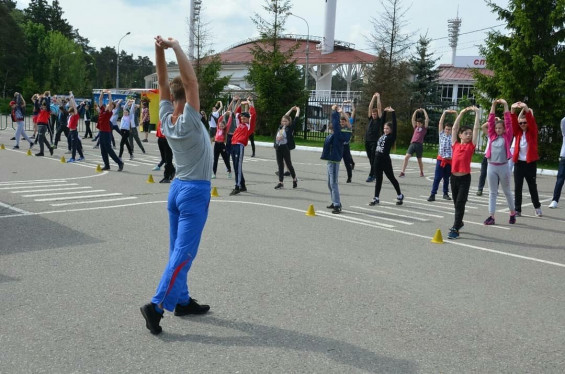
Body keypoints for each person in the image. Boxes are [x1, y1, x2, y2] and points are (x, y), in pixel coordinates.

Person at [140, 35, 213, 335]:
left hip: (178, 190)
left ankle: (181, 300)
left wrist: (159, 50)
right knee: (183, 253)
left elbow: (162, 80)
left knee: (177, 252)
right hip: (194, 192)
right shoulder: (191, 122)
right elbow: (190, 82)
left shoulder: (168, 119)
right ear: (191, 100)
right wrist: (176, 47)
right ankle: (156, 305)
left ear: (173, 99)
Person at [447, 106, 480, 240]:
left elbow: (476, 128)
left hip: (465, 178)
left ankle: (455, 228)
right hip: (453, 178)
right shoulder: (455, 144)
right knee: (456, 203)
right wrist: (460, 113)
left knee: (460, 203)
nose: (469, 135)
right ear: (460, 135)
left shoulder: (471, 146)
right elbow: (454, 128)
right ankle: (459, 222)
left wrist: (477, 113)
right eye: (466, 133)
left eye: (470, 133)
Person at [483, 99, 516, 225]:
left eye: (500, 128)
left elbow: (508, 122)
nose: (498, 129)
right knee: (492, 192)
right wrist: (493, 105)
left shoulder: (507, 137)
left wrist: (506, 105)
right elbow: (490, 121)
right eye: (496, 128)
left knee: (507, 191)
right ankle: (491, 216)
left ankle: (512, 213)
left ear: (504, 129)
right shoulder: (492, 136)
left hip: (503, 167)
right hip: (491, 166)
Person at [369, 106, 404, 206]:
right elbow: (382, 123)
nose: (385, 130)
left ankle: (400, 195)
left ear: (391, 130)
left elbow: (395, 126)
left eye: (387, 128)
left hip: (385, 160)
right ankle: (376, 198)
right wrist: (384, 112)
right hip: (377, 159)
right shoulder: (382, 134)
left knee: (391, 178)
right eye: (384, 128)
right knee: (378, 179)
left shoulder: (391, 137)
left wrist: (393, 113)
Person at [511, 102, 542, 217]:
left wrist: (525, 107)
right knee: (518, 187)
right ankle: (517, 209)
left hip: (530, 163)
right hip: (519, 163)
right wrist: (512, 109)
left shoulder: (532, 132)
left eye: (525, 123)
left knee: (532, 186)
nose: (523, 124)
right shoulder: (518, 132)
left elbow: (531, 120)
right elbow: (513, 122)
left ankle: (537, 207)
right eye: (521, 123)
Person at [322, 105, 352, 214]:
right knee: (329, 183)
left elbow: (348, 124)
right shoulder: (336, 133)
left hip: (335, 160)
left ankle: (337, 205)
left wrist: (337, 111)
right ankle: (334, 201)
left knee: (333, 183)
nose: (341, 123)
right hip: (330, 160)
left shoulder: (344, 133)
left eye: (343, 122)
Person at [229, 96, 256, 195]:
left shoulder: (249, 126)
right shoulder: (239, 124)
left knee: (238, 167)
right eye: (242, 117)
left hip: (239, 146)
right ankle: (243, 186)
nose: (243, 118)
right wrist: (240, 103)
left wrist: (249, 103)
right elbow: (236, 113)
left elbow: (253, 114)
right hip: (233, 145)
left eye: (245, 117)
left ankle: (237, 186)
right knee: (236, 167)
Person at [428, 110, 455, 201]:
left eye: (449, 129)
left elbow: (457, 126)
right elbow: (440, 123)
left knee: (446, 178)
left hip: (449, 160)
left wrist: (456, 114)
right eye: (446, 129)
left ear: (452, 130)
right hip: (441, 159)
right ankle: (433, 194)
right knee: (437, 177)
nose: (448, 130)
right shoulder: (442, 134)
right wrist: (445, 113)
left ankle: (445, 193)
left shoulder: (453, 137)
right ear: (444, 129)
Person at [96, 90, 124, 171]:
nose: (108, 105)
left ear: (111, 107)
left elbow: (111, 102)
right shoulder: (102, 109)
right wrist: (102, 92)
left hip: (106, 132)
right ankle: (107, 165)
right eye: (108, 104)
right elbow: (100, 100)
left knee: (108, 149)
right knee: (103, 149)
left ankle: (119, 163)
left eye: (110, 105)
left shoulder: (109, 112)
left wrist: (109, 94)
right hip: (101, 131)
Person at [273, 106, 299, 189]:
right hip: (278, 148)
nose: (284, 122)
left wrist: (298, 110)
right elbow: (285, 115)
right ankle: (281, 182)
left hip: (285, 148)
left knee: (289, 165)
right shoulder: (280, 127)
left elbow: (296, 119)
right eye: (283, 121)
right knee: (280, 165)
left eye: (286, 121)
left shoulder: (290, 128)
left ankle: (294, 179)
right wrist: (291, 109)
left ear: (289, 122)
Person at [399, 108, 429, 177]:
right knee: (406, 157)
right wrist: (416, 111)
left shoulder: (424, 128)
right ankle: (402, 172)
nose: (417, 124)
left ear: (422, 124)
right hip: (412, 144)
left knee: (419, 160)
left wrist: (424, 111)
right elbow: (412, 119)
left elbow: (427, 119)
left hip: (419, 145)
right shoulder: (415, 127)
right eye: (417, 123)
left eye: (419, 123)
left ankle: (421, 172)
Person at [365, 92, 382, 182]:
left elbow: (379, 107)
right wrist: (373, 97)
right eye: (373, 114)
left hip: (374, 141)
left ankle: (372, 175)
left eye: (375, 114)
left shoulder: (379, 119)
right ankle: (376, 172)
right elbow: (370, 107)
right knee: (370, 158)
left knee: (373, 158)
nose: (373, 115)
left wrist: (378, 97)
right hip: (367, 140)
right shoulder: (370, 118)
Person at [548, 116, 565, 208]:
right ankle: (555, 200)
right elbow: (563, 121)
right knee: (560, 179)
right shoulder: (564, 132)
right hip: (564, 157)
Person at [212, 111, 232, 179]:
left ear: (224, 126)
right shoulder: (218, 128)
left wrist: (230, 116)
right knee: (215, 160)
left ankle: (229, 171)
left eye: (222, 126)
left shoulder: (225, 130)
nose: (221, 126)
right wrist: (224, 114)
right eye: (220, 125)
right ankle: (214, 173)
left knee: (225, 159)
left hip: (222, 146)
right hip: (216, 145)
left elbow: (229, 123)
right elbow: (219, 120)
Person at [65, 92, 85, 163]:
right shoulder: (71, 115)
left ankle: (73, 158)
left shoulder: (76, 115)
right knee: (76, 145)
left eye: (71, 112)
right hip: (71, 131)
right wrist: (70, 97)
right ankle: (82, 156)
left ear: (74, 112)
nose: (70, 113)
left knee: (74, 146)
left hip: (74, 131)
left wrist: (72, 98)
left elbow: (74, 106)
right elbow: (71, 105)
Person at [34, 91, 54, 157]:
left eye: (44, 106)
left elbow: (48, 105)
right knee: (43, 139)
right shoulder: (40, 110)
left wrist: (45, 98)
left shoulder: (47, 111)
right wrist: (37, 99)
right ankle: (50, 148)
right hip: (39, 125)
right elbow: (36, 105)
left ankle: (41, 152)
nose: (43, 107)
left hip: (43, 126)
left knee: (40, 139)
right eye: (42, 106)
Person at [342, 101, 355, 183]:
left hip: (346, 146)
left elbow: (354, 110)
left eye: (347, 115)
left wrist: (351, 102)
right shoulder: (341, 123)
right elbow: (341, 113)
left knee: (347, 162)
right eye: (345, 115)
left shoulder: (349, 123)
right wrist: (343, 104)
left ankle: (349, 177)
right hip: (340, 146)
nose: (346, 116)